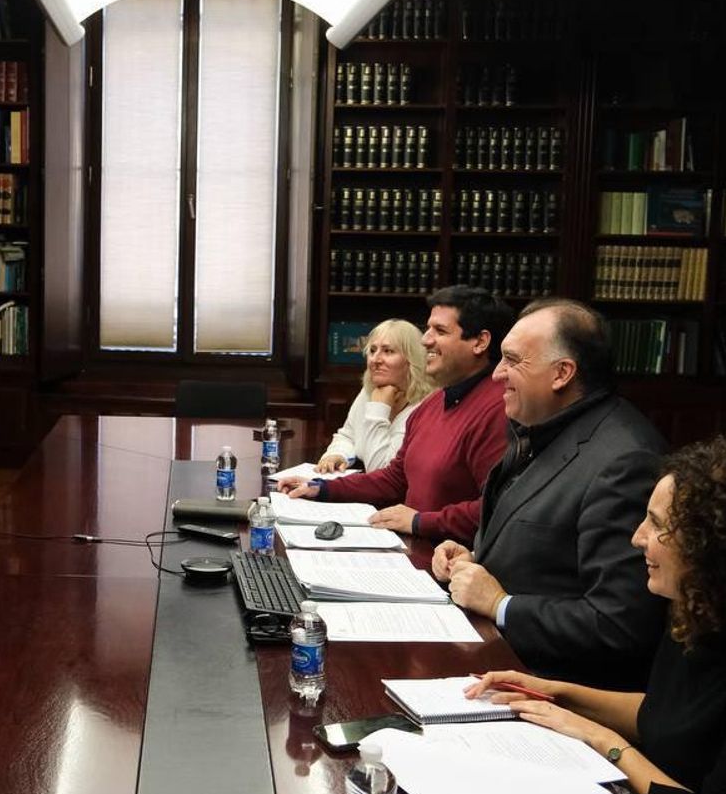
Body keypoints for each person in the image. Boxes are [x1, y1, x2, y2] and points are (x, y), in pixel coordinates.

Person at [466, 438, 726, 794]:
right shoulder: (700, 617)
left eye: (657, 524)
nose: (637, 538)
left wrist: (605, 741)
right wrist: (555, 693)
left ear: (713, 546)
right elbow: (664, 713)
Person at [433, 299, 665, 689]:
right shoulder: (540, 426)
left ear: (562, 373)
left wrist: (500, 605)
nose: (496, 375)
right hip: (496, 661)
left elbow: (619, 625)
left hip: (555, 690)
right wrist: (473, 557)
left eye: (511, 360)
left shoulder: (626, 462)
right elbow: (550, 555)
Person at [278, 286, 513, 542]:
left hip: (449, 564)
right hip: (410, 547)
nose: (425, 340)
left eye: (440, 331)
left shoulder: (500, 407)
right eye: (428, 329)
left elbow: (497, 508)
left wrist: (419, 521)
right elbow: (395, 478)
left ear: (480, 342)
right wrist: (321, 488)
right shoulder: (435, 402)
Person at [314, 318, 436, 473]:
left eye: (388, 351)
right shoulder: (369, 391)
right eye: (372, 350)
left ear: (412, 360)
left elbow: (381, 471)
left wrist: (379, 408)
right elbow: (348, 436)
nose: (375, 360)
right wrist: (337, 454)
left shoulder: (426, 406)